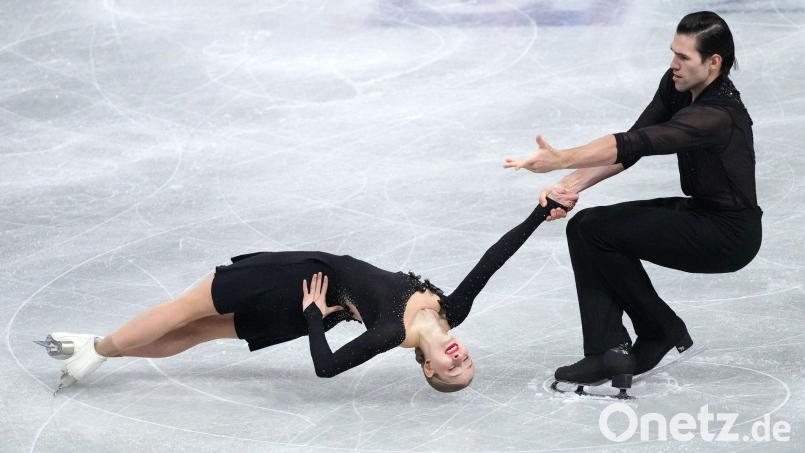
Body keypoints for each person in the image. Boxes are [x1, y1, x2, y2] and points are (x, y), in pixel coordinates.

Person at [40, 197, 571, 393]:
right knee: (197, 331)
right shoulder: (451, 311)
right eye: (468, 365)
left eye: (453, 372)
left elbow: (326, 369)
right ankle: (95, 347)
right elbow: (494, 261)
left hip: (303, 286)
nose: (461, 361)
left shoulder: (393, 334)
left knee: (188, 313)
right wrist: (536, 214)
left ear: (428, 369)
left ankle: (98, 350)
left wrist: (316, 315)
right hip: (310, 306)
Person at [504, 11, 761, 394]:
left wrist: (561, 158)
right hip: (702, 213)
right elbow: (633, 142)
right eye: (673, 52)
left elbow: (633, 144)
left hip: (729, 235)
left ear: (714, 63)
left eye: (684, 57)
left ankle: (657, 329)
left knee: (600, 233)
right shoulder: (678, 86)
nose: (674, 64)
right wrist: (570, 185)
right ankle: (609, 350)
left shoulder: (717, 116)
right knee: (588, 228)